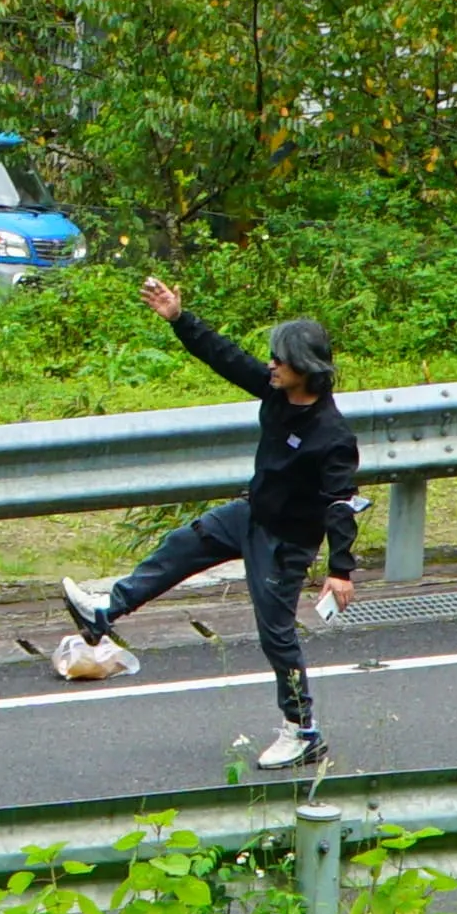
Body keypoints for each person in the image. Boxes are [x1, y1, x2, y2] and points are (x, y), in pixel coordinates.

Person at [54, 278, 357, 770]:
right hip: (249, 514)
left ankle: (302, 730)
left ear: (304, 367)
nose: (271, 364)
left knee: (276, 634)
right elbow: (224, 356)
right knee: (182, 545)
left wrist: (340, 569)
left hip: (284, 544)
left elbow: (342, 504)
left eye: (280, 359)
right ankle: (105, 611)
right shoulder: (276, 393)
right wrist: (179, 317)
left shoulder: (331, 434)